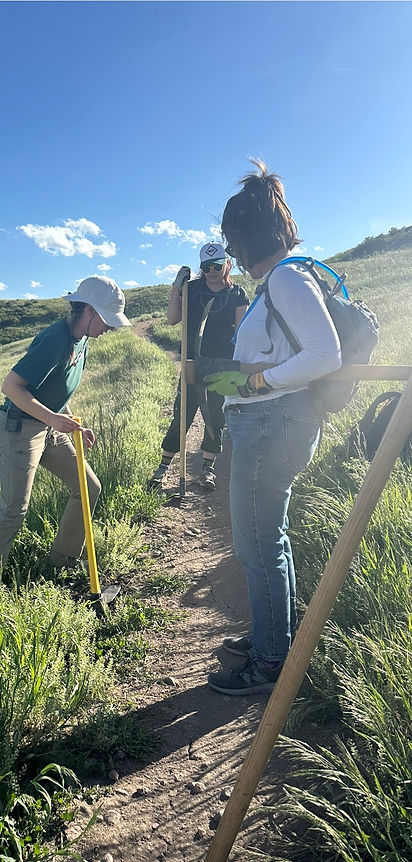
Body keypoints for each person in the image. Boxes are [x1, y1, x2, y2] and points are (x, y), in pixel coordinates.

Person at [202, 160, 341, 695]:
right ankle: (273, 636)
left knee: (258, 544)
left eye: (234, 241)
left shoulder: (285, 277)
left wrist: (260, 384)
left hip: (272, 420)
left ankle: (270, 661)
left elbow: (324, 354)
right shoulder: (287, 275)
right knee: (266, 540)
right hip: (271, 421)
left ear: (251, 235)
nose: (232, 255)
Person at [0, 276, 131, 582]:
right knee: (13, 512)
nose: (110, 328)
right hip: (19, 429)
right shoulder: (54, 340)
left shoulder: (83, 340)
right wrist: (53, 420)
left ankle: (61, 563)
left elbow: (58, 391)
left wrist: (72, 423)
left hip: (49, 427)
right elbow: (11, 387)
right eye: (106, 320)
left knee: (89, 488)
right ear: (86, 311)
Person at [148, 243, 248, 491]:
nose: (212, 271)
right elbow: (172, 319)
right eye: (206, 267)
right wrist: (176, 288)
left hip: (222, 366)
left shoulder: (237, 294)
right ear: (201, 268)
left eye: (216, 265)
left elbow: (243, 333)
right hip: (192, 363)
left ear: (227, 263)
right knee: (182, 414)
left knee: (215, 417)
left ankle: (207, 469)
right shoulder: (191, 289)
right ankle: (163, 467)